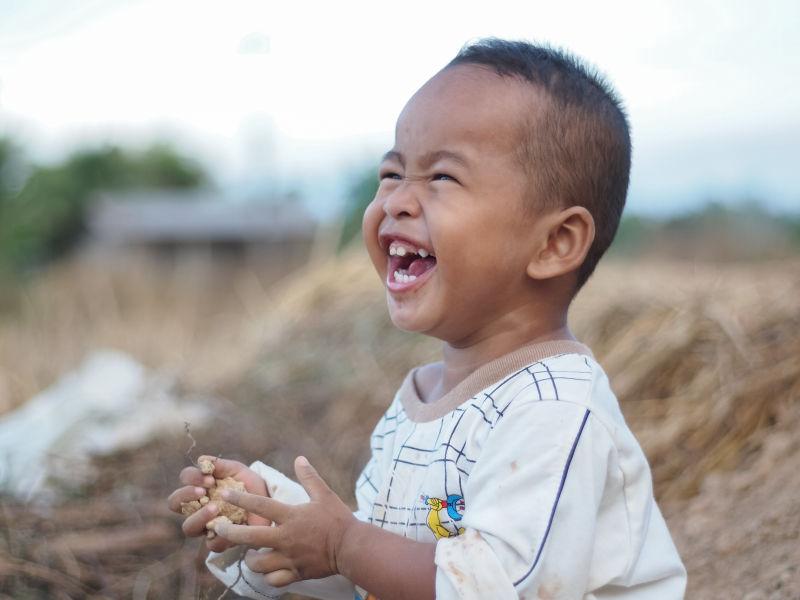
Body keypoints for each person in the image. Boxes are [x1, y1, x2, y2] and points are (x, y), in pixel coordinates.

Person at [167, 38, 687, 599]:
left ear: (555, 243)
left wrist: (344, 545)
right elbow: (381, 572)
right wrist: (275, 524)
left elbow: (488, 587)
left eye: (441, 178)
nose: (396, 202)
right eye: (391, 173)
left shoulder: (554, 411)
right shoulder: (419, 400)